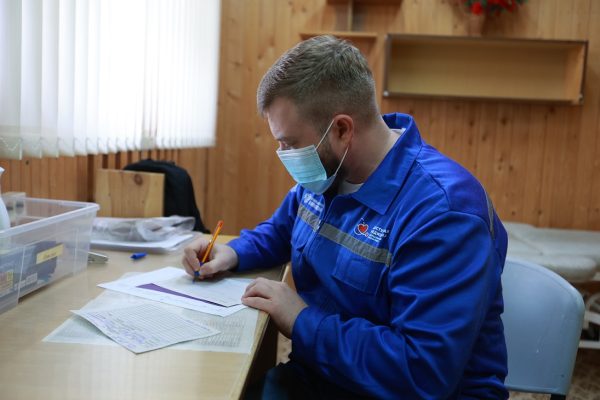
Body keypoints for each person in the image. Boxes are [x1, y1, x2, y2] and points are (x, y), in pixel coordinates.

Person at [182, 35, 509, 399]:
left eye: (290, 143)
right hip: (327, 374)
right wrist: (233, 251)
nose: (284, 153)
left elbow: (421, 371)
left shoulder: (444, 213)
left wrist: (301, 320)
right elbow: (283, 229)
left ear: (341, 129)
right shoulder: (327, 172)